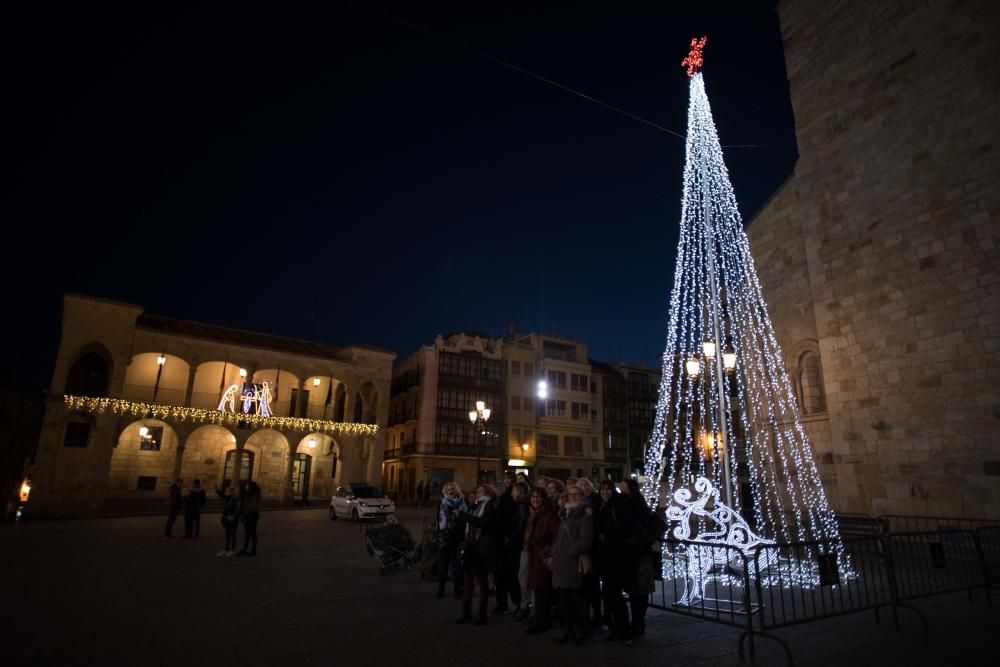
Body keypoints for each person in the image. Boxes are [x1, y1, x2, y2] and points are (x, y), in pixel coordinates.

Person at [550, 484, 595, 644]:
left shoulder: (585, 515)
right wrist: (554, 554)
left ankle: (580, 631)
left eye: (576, 494)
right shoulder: (566, 513)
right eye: (570, 494)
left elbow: (586, 539)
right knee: (565, 600)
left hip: (572, 563)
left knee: (575, 599)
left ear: (582, 496)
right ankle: (569, 630)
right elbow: (560, 537)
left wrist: (570, 552)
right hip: (561, 562)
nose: (572, 497)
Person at [455, 484, 499, 626]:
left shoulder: (489, 506)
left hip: (482, 548)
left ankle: (482, 614)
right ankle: (466, 613)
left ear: (487, 492)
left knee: (481, 581)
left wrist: (463, 516)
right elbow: (471, 524)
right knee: (468, 580)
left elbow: (482, 523)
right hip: (471, 546)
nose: (478, 493)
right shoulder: (476, 506)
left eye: (480, 491)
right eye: (477, 491)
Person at [595, 480, 633, 641]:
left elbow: (624, 527)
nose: (605, 492)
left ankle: (623, 629)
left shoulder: (617, 505)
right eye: (602, 490)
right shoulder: (601, 506)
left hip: (616, 555)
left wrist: (607, 536)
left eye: (608, 490)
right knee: (609, 593)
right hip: (605, 556)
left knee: (615, 594)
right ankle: (614, 627)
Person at [621, 478, 656, 642]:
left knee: (637, 593)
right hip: (639, 554)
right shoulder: (638, 504)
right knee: (639, 593)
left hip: (637, 555)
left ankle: (637, 624)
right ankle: (637, 624)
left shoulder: (632, 505)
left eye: (624, 487)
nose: (621, 490)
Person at [524, 487, 559, 635]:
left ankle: (540, 622)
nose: (535, 500)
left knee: (541, 589)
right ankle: (544, 619)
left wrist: (549, 553)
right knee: (539, 588)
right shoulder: (534, 514)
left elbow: (557, 536)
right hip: (535, 555)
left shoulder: (549, 515)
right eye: (532, 497)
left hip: (543, 557)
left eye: (538, 497)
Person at [436, 482, 468, 599]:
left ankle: (457, 590)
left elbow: (464, 519)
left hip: (458, 538)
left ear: (457, 490)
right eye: (448, 489)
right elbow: (439, 521)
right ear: (445, 491)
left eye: (453, 489)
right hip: (445, 537)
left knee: (457, 566)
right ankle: (440, 590)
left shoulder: (463, 503)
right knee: (443, 565)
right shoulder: (442, 503)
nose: (451, 491)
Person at [493, 473, 517, 614]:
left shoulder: (509, 498)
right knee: (499, 574)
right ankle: (502, 603)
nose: (507, 481)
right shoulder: (500, 497)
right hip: (499, 538)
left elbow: (507, 517)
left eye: (509, 479)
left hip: (507, 539)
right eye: (505, 479)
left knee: (509, 574)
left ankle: (515, 602)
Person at [215, 483, 242, 557]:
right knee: (227, 534)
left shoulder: (239, 499)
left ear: (239, 491)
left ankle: (232, 550)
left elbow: (238, 509)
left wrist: (233, 516)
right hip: (227, 517)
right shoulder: (231, 497)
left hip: (233, 518)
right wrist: (217, 490)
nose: (235, 490)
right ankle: (226, 549)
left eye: (236, 489)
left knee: (233, 534)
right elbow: (224, 496)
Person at [237, 480, 261, 557]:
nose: (247, 487)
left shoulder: (255, 495)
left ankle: (253, 549)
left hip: (253, 515)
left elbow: (253, 507)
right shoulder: (248, 494)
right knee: (247, 533)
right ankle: (245, 549)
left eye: (248, 486)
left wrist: (245, 503)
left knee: (252, 532)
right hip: (247, 515)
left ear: (251, 487)